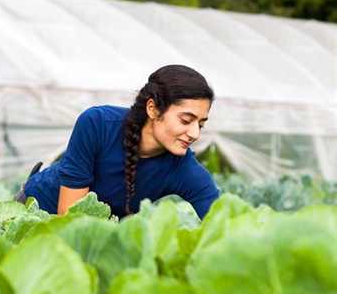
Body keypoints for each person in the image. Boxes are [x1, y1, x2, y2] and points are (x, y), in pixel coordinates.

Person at [14, 64, 219, 219]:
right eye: (186, 120)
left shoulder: (182, 167)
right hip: (35, 211)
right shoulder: (98, 124)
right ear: (153, 108)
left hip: (93, 232)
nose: (195, 134)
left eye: (201, 124)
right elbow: (69, 217)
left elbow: (223, 221)